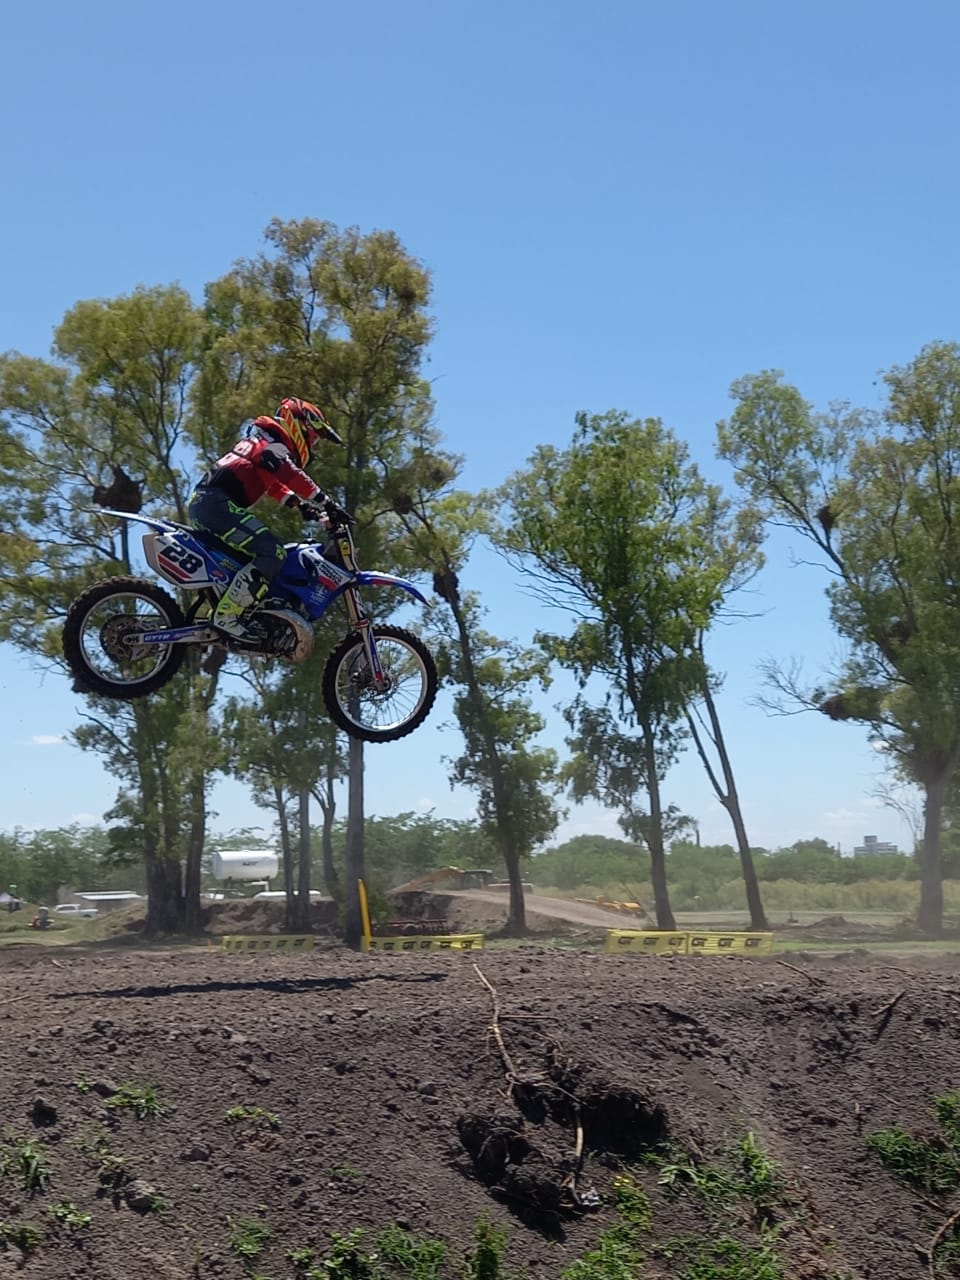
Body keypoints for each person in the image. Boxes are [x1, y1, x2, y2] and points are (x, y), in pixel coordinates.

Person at [188, 397, 342, 639]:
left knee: (245, 560)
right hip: (217, 505)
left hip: (208, 504)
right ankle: (227, 615)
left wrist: (299, 505)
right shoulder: (273, 443)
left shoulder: (264, 441)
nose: (313, 445)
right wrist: (326, 501)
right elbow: (290, 474)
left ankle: (232, 608)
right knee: (273, 552)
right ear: (299, 425)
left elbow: (271, 484)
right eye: (313, 438)